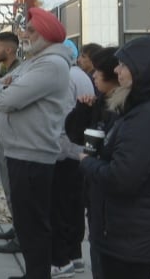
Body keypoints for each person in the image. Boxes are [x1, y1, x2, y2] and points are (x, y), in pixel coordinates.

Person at [80, 36, 150, 279]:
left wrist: (86, 162)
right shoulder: (140, 107)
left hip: (130, 240)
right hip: (124, 235)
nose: (116, 70)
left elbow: (121, 179)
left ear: (143, 70)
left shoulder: (149, 117)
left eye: (123, 65)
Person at [0, 7, 72, 279]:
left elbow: (5, 100)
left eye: (32, 30)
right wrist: (5, 88)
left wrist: (6, 90)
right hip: (21, 153)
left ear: (47, 33)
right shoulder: (35, 62)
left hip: (32, 156)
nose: (25, 34)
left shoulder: (51, 64)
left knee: (33, 226)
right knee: (27, 224)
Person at [64, 46, 121, 279]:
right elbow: (77, 136)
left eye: (98, 71)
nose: (93, 76)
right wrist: (82, 111)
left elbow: (120, 167)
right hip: (97, 199)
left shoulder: (128, 111)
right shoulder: (98, 103)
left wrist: (89, 164)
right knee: (99, 259)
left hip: (115, 207)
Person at [50, 39, 95, 278]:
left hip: (66, 153)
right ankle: (75, 257)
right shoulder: (81, 75)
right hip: (78, 151)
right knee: (74, 207)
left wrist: (60, 150)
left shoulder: (67, 77)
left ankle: (62, 261)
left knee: (61, 209)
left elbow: (63, 120)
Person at [0, 31, 22, 255]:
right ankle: (17, 229)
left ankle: (21, 238)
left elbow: (3, 99)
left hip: (12, 141)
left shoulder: (18, 72)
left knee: (15, 190)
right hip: (2, 139)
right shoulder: (7, 71)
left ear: (9, 50)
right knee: (10, 190)